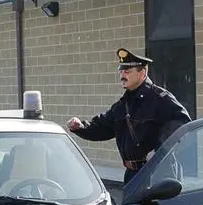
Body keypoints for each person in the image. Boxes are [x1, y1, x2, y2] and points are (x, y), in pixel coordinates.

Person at [66, 48, 192, 184]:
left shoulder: (159, 98)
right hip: (133, 176)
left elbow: (182, 123)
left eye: (127, 72)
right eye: (121, 71)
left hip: (159, 173)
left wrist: (159, 151)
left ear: (142, 73)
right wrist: (80, 127)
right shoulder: (123, 105)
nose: (122, 75)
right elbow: (102, 127)